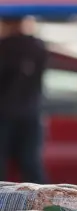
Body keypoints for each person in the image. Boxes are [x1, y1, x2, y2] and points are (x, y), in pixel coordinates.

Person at [0, 16, 48, 183]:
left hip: (5, 114)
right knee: (31, 166)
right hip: (30, 113)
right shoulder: (37, 47)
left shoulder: (5, 47)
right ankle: (41, 205)